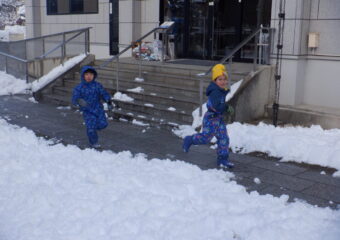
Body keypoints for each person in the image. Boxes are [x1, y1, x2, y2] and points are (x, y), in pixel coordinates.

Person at [182, 64, 234, 168]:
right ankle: (190, 139)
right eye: (220, 79)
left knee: (223, 138)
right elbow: (216, 106)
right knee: (205, 138)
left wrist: (225, 107)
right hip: (211, 119)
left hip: (218, 119)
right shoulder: (215, 91)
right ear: (215, 80)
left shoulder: (220, 90)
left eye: (224, 79)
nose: (223, 81)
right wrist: (226, 107)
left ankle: (222, 160)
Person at [72, 65, 113, 149]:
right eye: (86, 74)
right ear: (83, 75)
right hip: (88, 111)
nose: (89, 76)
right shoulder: (79, 88)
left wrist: (108, 101)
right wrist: (79, 100)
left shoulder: (97, 86)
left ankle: (94, 128)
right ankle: (93, 142)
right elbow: (74, 98)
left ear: (94, 75)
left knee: (103, 124)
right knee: (90, 128)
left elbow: (103, 93)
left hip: (98, 109)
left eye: (91, 74)